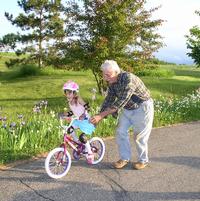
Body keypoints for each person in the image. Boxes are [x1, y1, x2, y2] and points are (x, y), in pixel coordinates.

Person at [90, 60, 154, 170]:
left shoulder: (129, 79)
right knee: (120, 131)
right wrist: (99, 117)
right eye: (104, 74)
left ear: (116, 72)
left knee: (139, 136)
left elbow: (121, 102)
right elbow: (108, 100)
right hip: (128, 109)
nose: (105, 78)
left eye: (108, 75)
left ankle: (143, 160)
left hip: (142, 107)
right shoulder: (112, 83)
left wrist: (100, 116)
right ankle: (124, 158)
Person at [62, 80, 95, 164]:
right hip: (77, 120)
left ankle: (90, 153)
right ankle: (79, 145)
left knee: (82, 137)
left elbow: (87, 107)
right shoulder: (70, 102)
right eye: (66, 92)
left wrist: (84, 114)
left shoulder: (78, 99)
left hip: (86, 120)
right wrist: (66, 115)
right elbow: (74, 111)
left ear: (74, 93)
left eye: (70, 93)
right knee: (69, 130)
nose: (67, 95)